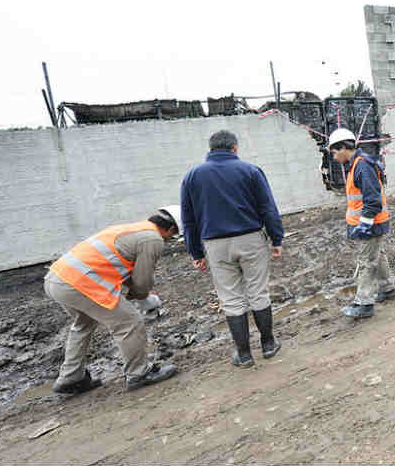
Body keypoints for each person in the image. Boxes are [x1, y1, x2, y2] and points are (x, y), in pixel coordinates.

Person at [44, 206, 181, 394]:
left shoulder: (133, 229)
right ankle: (138, 374)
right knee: (129, 322)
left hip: (57, 279)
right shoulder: (153, 238)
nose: (169, 240)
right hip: (79, 284)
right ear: (171, 229)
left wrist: (134, 293)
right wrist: (145, 298)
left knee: (84, 324)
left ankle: (71, 377)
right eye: (172, 236)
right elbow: (142, 282)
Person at [181, 130, 284, 367]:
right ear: (235, 148)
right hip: (251, 239)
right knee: (258, 291)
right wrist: (276, 239)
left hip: (215, 245)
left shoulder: (192, 177)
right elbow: (268, 208)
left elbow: (188, 219)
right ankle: (268, 345)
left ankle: (244, 354)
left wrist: (195, 252)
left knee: (231, 298)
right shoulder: (250, 171)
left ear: (210, 149)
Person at [327, 128, 394, 319]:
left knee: (366, 261)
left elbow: (373, 200)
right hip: (373, 221)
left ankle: (364, 303)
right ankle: (387, 288)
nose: (333, 156)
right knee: (377, 255)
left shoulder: (361, 166)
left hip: (371, 223)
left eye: (334, 151)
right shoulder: (356, 164)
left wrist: (364, 225)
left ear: (343, 148)